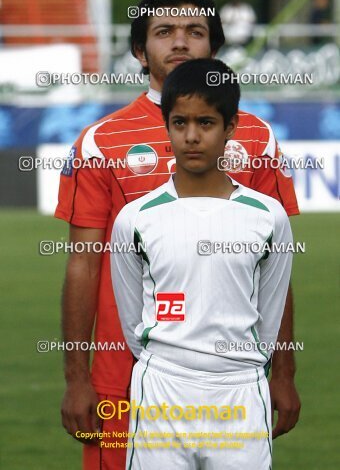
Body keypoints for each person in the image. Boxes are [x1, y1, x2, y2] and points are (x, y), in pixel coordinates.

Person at [55, 0, 300, 470]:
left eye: (195, 30)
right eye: (164, 31)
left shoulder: (256, 136)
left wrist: (284, 370)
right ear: (140, 51)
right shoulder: (100, 140)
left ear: (215, 45)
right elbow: (83, 265)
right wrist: (77, 377)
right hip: (125, 372)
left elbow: (275, 269)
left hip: (233, 374)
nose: (182, 41)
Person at [111, 58, 293, 470]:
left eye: (206, 123)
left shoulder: (267, 216)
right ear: (167, 125)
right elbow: (133, 324)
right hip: (162, 390)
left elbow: (269, 315)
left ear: (230, 127)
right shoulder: (136, 218)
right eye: (180, 123)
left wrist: (241, 364)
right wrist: (173, 361)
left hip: (240, 392)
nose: (191, 137)